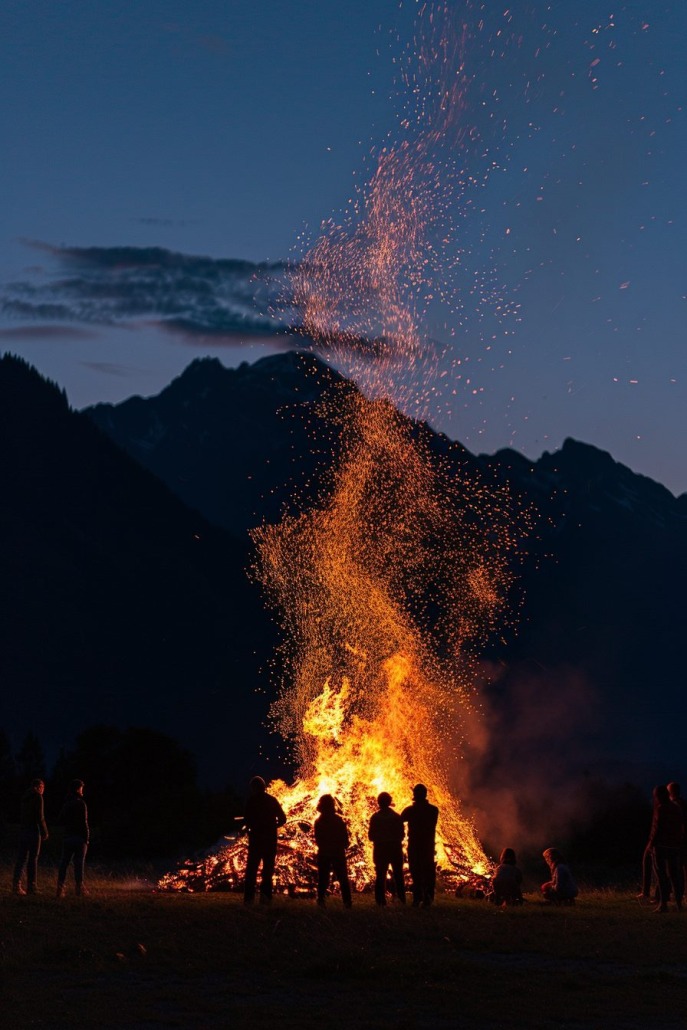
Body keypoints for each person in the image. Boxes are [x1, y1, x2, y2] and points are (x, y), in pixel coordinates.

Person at [242, 776, 287, 904]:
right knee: (267, 870)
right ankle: (265, 898)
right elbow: (283, 818)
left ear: (254, 788)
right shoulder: (272, 800)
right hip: (269, 841)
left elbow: (246, 820)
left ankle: (249, 899)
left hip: (256, 841)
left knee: (251, 870)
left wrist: (252, 828)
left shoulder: (251, 801)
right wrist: (274, 826)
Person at [400, 783, 439, 907]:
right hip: (428, 845)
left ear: (414, 795)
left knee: (416, 872)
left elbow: (400, 819)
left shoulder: (411, 810)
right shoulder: (433, 809)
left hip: (415, 845)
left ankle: (418, 897)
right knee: (428, 871)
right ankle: (428, 897)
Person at [648, 783, 683, 913]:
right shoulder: (677, 808)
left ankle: (663, 904)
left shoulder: (661, 809)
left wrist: (651, 844)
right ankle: (679, 904)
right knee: (675, 876)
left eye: (656, 796)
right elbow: (681, 828)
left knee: (661, 876)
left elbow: (656, 829)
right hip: (674, 846)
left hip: (661, 846)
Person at [314, 794, 352, 908]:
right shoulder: (338, 820)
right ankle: (347, 902)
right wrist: (344, 845)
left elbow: (318, 838)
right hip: (337, 852)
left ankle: (321, 900)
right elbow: (345, 838)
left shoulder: (318, 821)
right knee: (343, 877)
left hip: (324, 852)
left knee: (323, 878)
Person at [368, 792, 405, 905]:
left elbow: (371, 836)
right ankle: (401, 899)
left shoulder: (375, 818)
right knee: (398, 875)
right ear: (390, 802)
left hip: (380, 850)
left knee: (380, 876)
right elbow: (402, 835)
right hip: (395, 849)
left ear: (379, 802)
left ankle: (380, 901)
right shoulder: (397, 817)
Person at [13, 778, 49, 895]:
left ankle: (16, 885)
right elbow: (40, 816)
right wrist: (45, 831)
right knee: (33, 859)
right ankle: (32, 887)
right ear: (39, 786)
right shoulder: (38, 797)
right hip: (33, 831)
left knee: (21, 858)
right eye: (42, 788)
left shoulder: (25, 798)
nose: (43, 790)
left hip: (23, 831)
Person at [56, 779, 89, 897]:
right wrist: (87, 838)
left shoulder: (67, 804)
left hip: (68, 837)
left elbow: (60, 820)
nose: (82, 791)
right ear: (78, 789)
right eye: (81, 788)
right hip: (79, 838)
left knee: (64, 863)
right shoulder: (81, 804)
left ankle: (60, 889)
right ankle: (79, 889)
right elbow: (84, 823)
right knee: (79, 864)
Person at [667, 781, 687, 907]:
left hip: (680, 841)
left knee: (676, 869)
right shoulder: (684, 803)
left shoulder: (675, 805)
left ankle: (678, 895)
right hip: (682, 840)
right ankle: (681, 895)